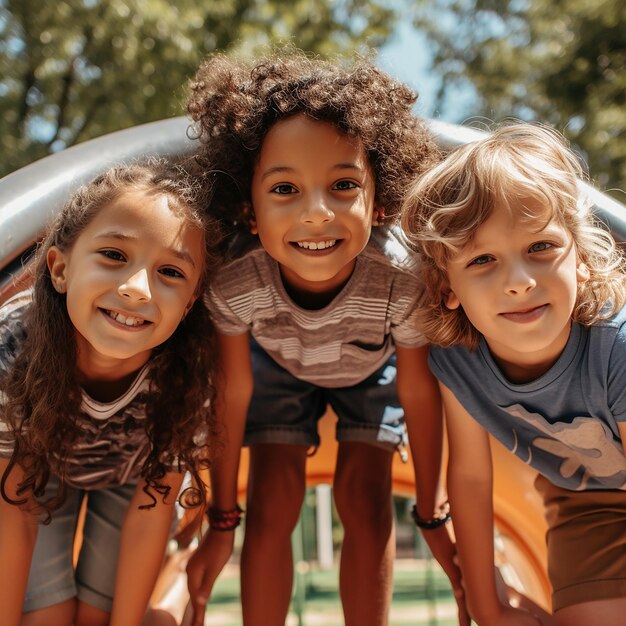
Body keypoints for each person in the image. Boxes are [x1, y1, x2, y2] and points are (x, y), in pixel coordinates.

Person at [183, 50, 468, 626]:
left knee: (364, 497)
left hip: (371, 368)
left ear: (379, 201)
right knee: (273, 499)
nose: (316, 213)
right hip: (278, 366)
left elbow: (418, 390)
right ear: (251, 210)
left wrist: (435, 512)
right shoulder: (238, 282)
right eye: (285, 190)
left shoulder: (400, 279)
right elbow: (232, 391)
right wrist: (220, 516)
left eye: (343, 185)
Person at [400, 122, 626, 626]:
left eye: (541, 247)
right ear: (447, 287)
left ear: (582, 259)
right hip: (584, 503)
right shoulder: (459, 362)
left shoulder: (617, 348)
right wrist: (488, 605)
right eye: (483, 260)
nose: (520, 282)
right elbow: (472, 478)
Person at [0, 159, 221, 626]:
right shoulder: (12, 352)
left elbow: (150, 512)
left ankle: (180, 571)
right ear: (59, 269)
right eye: (115, 256)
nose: (139, 289)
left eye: (171, 273)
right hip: (40, 468)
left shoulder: (187, 375)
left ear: (188, 306)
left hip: (128, 478)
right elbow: (14, 511)